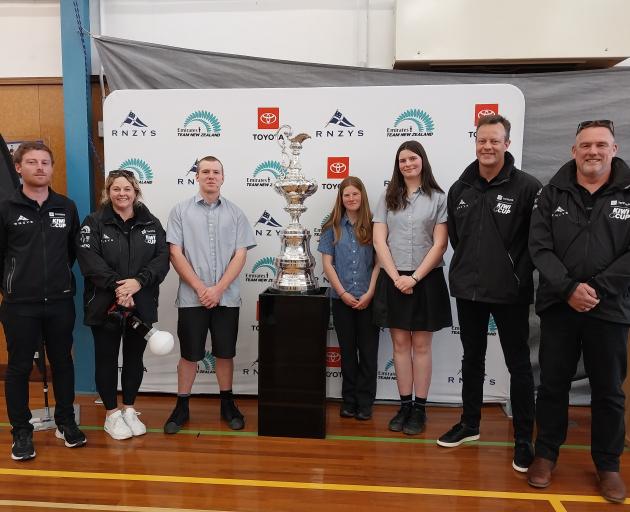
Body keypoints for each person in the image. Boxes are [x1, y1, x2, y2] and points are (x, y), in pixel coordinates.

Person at [527, 120, 630, 503]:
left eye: (601, 145)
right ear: (574, 151)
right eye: (585, 145)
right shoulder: (551, 193)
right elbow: (539, 247)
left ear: (613, 149)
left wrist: (598, 290)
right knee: (552, 385)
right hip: (560, 307)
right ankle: (546, 455)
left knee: (609, 391)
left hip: (611, 309)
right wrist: (569, 289)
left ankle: (608, 466)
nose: (593, 151)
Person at [436, 115, 540, 473]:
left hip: (510, 293)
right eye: (482, 140)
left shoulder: (527, 187)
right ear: (475, 142)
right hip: (469, 290)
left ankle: (525, 438)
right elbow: (458, 240)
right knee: (472, 360)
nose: (487, 146)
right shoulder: (460, 188)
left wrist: (514, 275)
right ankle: (470, 424)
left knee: (518, 365)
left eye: (495, 140)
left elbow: (536, 244)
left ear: (507, 144)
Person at [0, 141, 86, 460]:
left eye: (45, 162)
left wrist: (59, 282)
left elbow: (73, 253)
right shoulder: (6, 207)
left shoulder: (66, 207)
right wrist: (12, 287)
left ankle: (65, 422)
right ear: (18, 167)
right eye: (33, 162)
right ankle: (21, 431)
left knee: (63, 362)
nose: (40, 167)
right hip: (19, 305)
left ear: (52, 168)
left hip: (61, 303)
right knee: (19, 368)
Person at [164, 155, 256, 433]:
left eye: (216, 172)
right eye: (205, 171)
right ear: (197, 176)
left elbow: (240, 255)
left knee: (225, 353)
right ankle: (182, 407)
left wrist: (218, 289)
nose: (211, 176)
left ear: (223, 177)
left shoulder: (236, 213)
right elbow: (175, 253)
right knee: (189, 354)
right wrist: (202, 289)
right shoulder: (180, 211)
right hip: (193, 298)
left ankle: (227, 403)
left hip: (226, 297)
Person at [76, 170, 169, 440]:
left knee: (133, 359)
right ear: (108, 192)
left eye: (127, 188)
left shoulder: (151, 223)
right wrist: (120, 286)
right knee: (106, 359)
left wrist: (138, 283)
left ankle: (129, 409)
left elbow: (162, 259)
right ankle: (111, 414)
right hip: (105, 306)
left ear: (135, 192)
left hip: (141, 304)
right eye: (116, 189)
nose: (122, 193)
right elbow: (89, 260)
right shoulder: (93, 222)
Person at [372, 140, 451, 435]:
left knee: (421, 346)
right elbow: (380, 240)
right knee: (400, 346)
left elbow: (440, 244)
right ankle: (404, 405)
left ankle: (420, 409)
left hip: (425, 279)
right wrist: (396, 277)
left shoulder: (438, 197)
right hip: (394, 279)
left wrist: (414, 278)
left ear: (422, 161)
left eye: (412, 159)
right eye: (402, 160)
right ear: (398, 165)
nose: (407, 164)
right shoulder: (387, 196)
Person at [318, 176, 380, 420]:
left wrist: (370, 293)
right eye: (347, 195)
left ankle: (365, 402)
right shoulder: (331, 227)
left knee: (368, 352)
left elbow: (379, 264)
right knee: (347, 351)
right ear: (341, 199)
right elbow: (327, 265)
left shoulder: (375, 226)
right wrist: (342, 293)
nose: (351, 198)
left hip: (368, 299)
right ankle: (349, 399)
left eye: (355, 194)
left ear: (362, 196)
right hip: (341, 299)